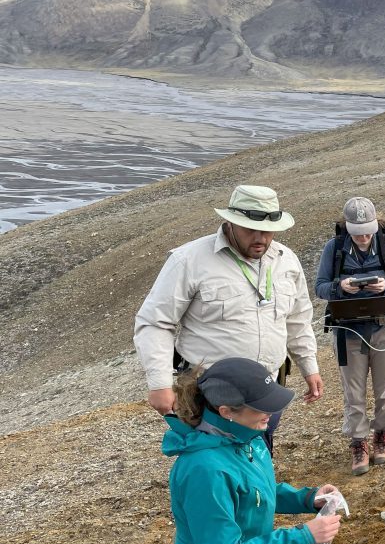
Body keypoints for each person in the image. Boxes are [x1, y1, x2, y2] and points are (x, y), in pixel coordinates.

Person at [164, 357, 360, 544]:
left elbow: (258, 491)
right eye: (262, 407)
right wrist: (303, 535)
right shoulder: (204, 471)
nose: (271, 413)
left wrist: (307, 498)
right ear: (226, 411)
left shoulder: (245, 437)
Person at [134, 184, 323, 454]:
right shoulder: (189, 260)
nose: (261, 238)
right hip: (210, 393)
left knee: (258, 458)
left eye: (268, 231)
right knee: (213, 464)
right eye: (250, 229)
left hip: (266, 388)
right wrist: (159, 384)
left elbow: (297, 319)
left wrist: (309, 366)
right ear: (230, 223)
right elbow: (155, 322)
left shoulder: (286, 261)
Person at [315, 196, 385, 475]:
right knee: (353, 392)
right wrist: (340, 286)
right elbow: (320, 287)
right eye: (358, 232)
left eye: (368, 230)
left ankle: (382, 436)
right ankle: (358, 442)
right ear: (346, 227)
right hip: (347, 331)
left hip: (384, 328)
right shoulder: (333, 249)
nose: (364, 237)